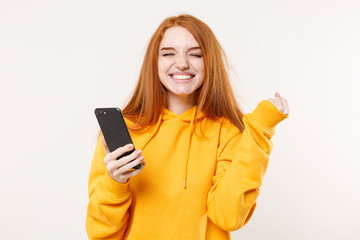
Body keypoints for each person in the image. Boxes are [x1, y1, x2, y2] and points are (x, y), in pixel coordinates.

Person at [86, 14, 289, 240]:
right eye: (168, 53)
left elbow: (229, 217)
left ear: (209, 62)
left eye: (195, 54)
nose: (182, 63)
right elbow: (100, 233)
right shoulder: (127, 129)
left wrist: (259, 128)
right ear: (154, 62)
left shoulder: (227, 131)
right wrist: (115, 182)